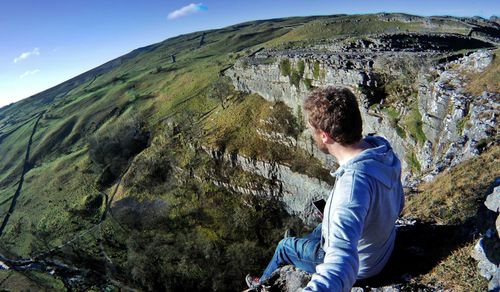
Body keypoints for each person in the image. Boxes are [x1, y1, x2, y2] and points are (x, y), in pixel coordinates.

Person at [245, 86, 405, 291]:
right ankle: (307, 239)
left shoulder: (351, 188)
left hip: (364, 268)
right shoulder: (381, 150)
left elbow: (340, 265)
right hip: (380, 249)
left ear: (325, 136)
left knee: (285, 247)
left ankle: (259, 286)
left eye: (311, 129)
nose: (309, 133)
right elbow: (398, 204)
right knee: (320, 228)